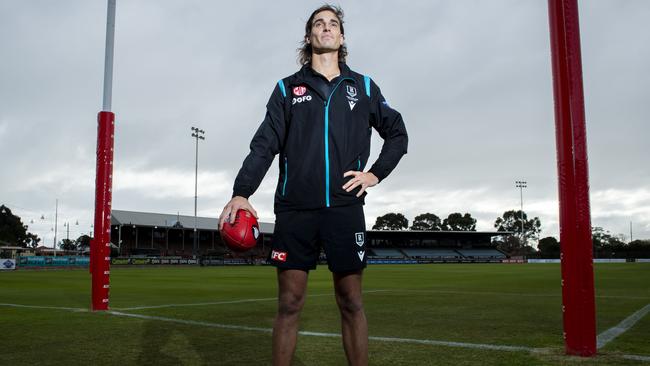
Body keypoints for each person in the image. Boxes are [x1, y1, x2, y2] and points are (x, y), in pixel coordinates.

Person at [219, 5, 408, 365]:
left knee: (351, 302)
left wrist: (375, 173)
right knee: (289, 304)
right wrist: (242, 191)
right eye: (319, 23)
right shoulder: (287, 89)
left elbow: (398, 134)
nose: (326, 28)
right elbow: (264, 145)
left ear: (341, 37)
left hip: (344, 207)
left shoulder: (364, 87)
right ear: (309, 37)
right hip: (295, 209)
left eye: (333, 23)